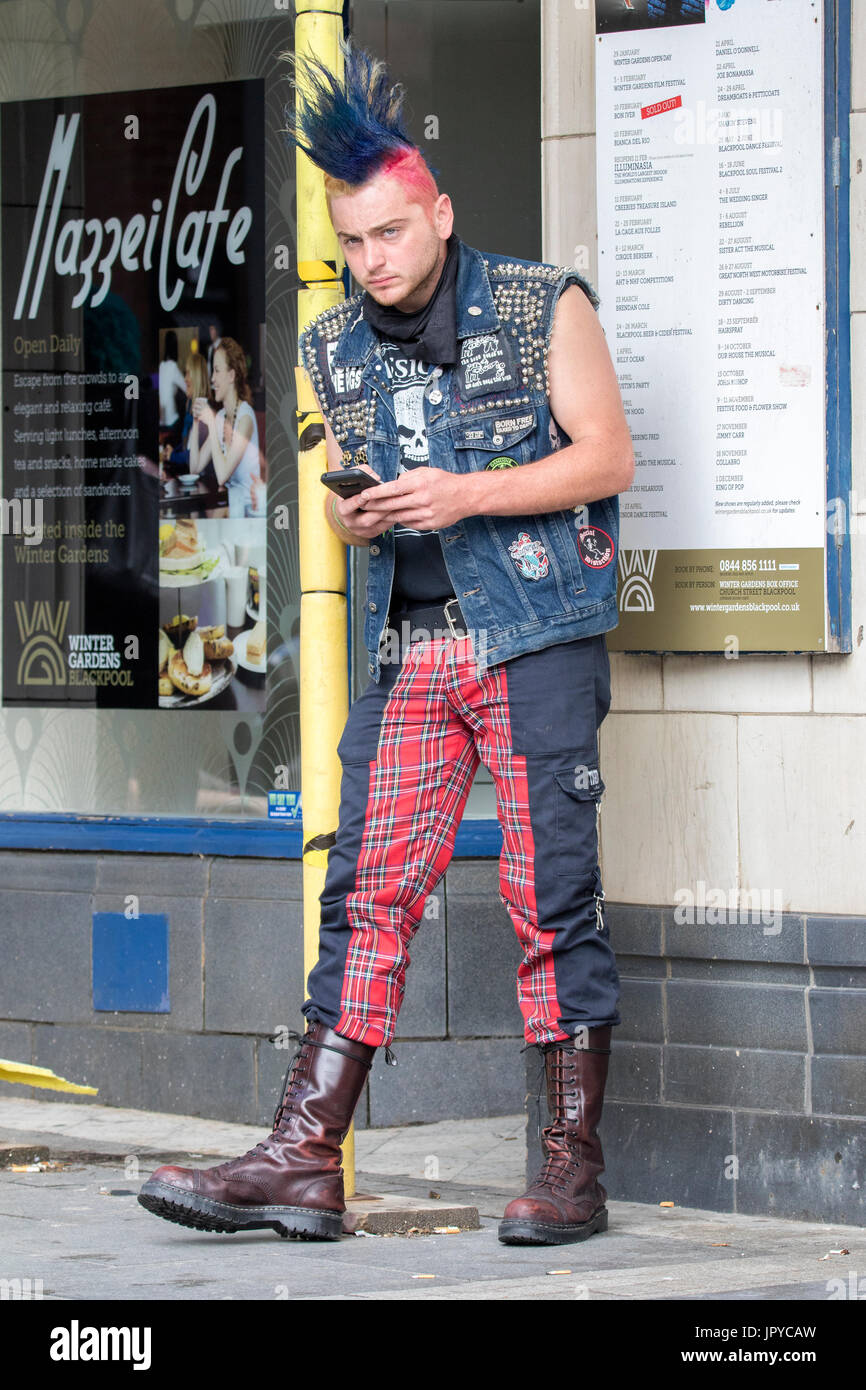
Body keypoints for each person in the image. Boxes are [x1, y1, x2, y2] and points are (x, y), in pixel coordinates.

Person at [138, 40, 634, 1247]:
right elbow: (331, 492)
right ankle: (306, 1156)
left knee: (544, 898)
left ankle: (567, 1170)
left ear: (439, 213)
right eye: (351, 242)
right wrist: (349, 511)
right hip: (413, 647)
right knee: (366, 897)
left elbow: (606, 459)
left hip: (532, 637)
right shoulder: (330, 345)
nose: (371, 262)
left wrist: (464, 495)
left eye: (391, 236)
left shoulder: (539, 302)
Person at [188, 336, 261, 518]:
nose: (212, 379)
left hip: (249, 510)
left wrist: (212, 424)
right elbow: (194, 468)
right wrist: (196, 423)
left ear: (231, 375)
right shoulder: (221, 416)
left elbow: (222, 476)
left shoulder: (245, 417)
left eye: (217, 371)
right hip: (230, 503)